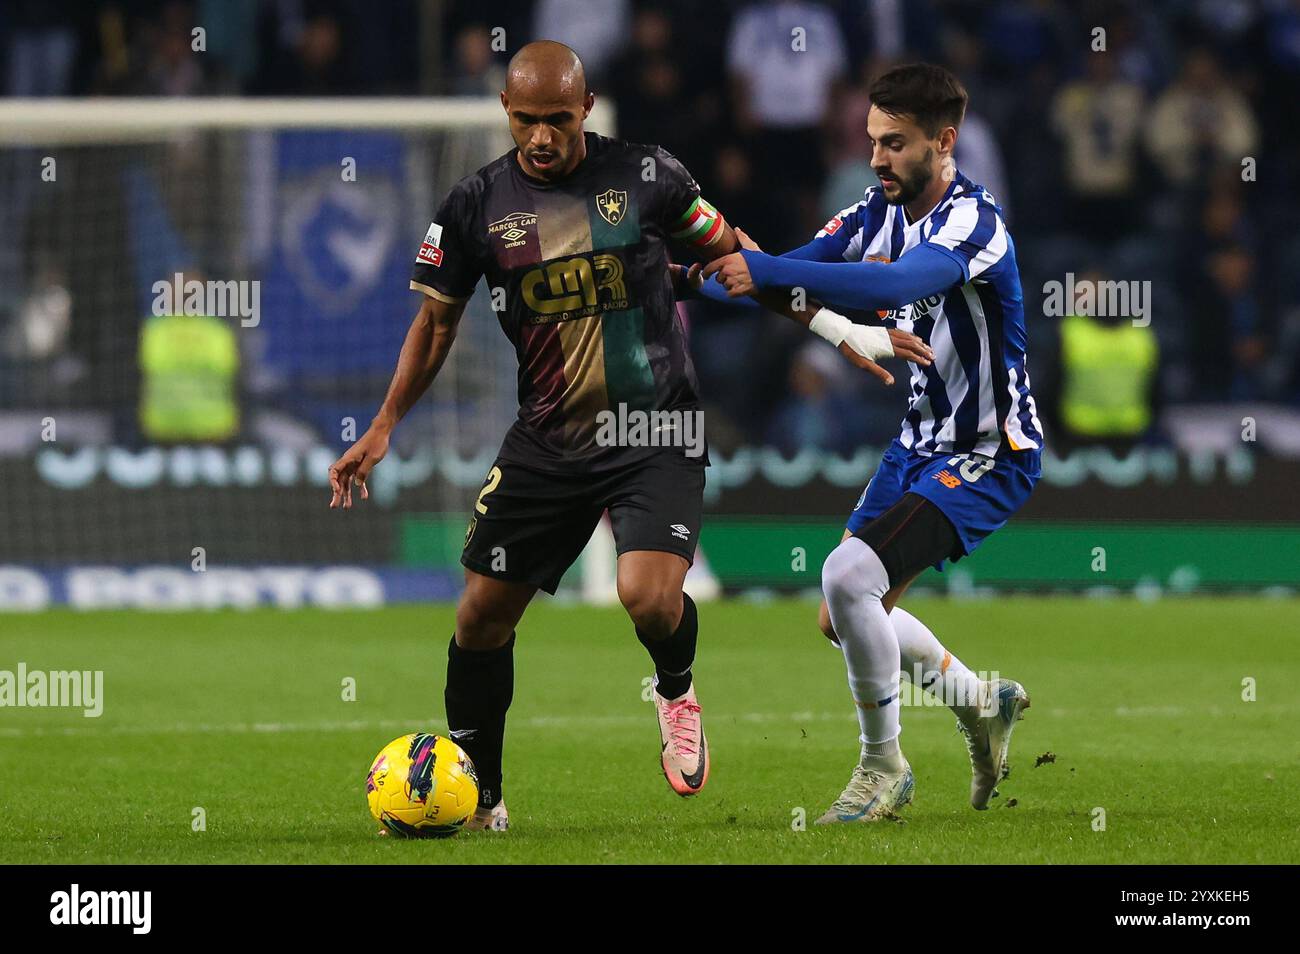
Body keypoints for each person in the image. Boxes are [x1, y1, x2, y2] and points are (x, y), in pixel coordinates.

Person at [326, 41, 927, 831]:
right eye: (526, 121)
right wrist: (382, 426)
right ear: (506, 114)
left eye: (558, 120)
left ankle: (676, 693)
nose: (542, 137)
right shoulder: (475, 204)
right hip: (548, 439)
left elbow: (735, 259)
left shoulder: (647, 175)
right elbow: (436, 323)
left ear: (586, 108)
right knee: (479, 617)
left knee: (646, 597)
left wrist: (837, 325)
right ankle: (483, 799)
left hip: (656, 427)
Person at [702, 63, 1042, 823]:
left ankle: (881, 768)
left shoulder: (973, 224)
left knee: (847, 577)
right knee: (843, 612)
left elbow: (885, 289)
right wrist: (711, 270)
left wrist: (757, 269)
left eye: (894, 144)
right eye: (871, 141)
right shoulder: (875, 210)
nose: (876, 159)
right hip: (920, 443)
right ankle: (981, 702)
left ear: (944, 142)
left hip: (989, 451)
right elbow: (800, 270)